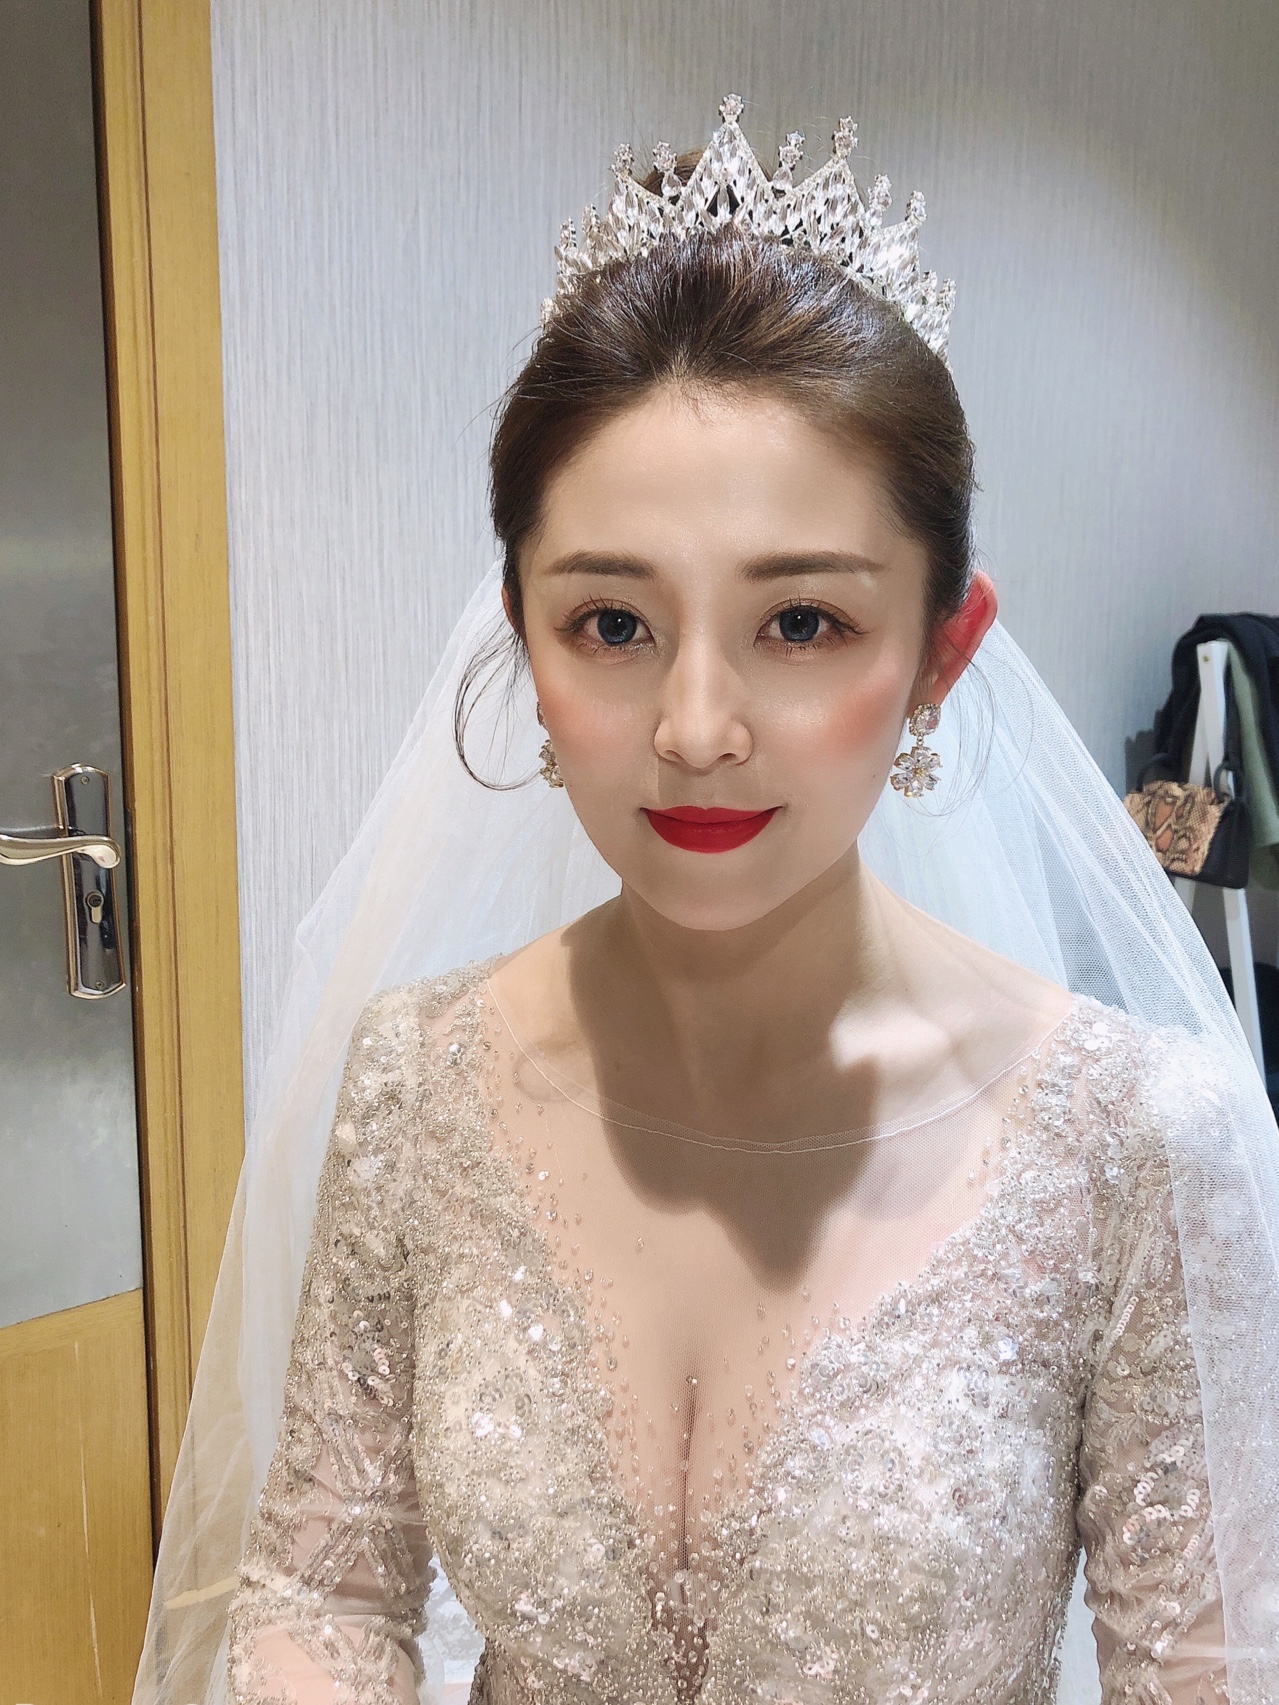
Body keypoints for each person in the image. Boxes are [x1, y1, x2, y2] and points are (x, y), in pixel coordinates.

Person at [134, 100, 1279, 1705]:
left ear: (942, 651)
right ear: (524, 636)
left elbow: (1211, 1667)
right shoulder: (417, 1080)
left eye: (802, 622)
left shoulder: (1135, 1140)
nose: (692, 727)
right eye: (611, 624)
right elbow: (318, 1587)